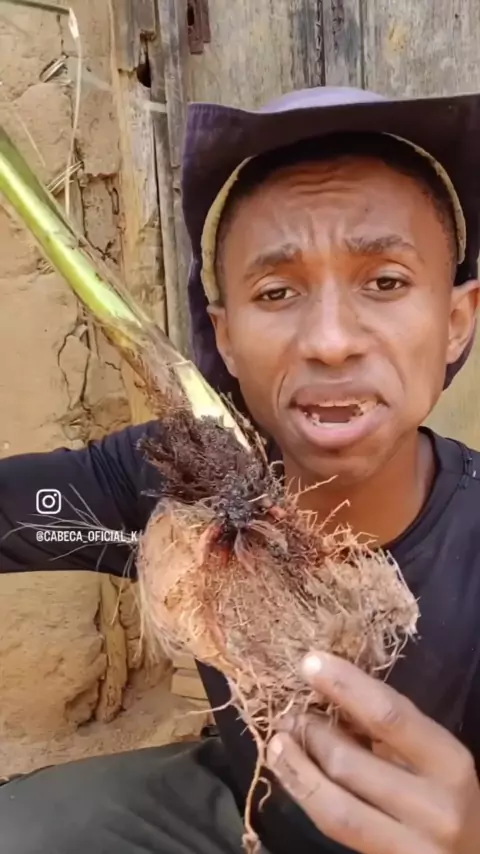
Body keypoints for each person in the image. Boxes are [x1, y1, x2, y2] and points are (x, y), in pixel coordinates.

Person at [1, 85, 480, 854]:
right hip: (242, 813)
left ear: (456, 320)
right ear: (224, 338)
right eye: (277, 292)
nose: (330, 341)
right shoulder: (184, 481)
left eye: (386, 282)